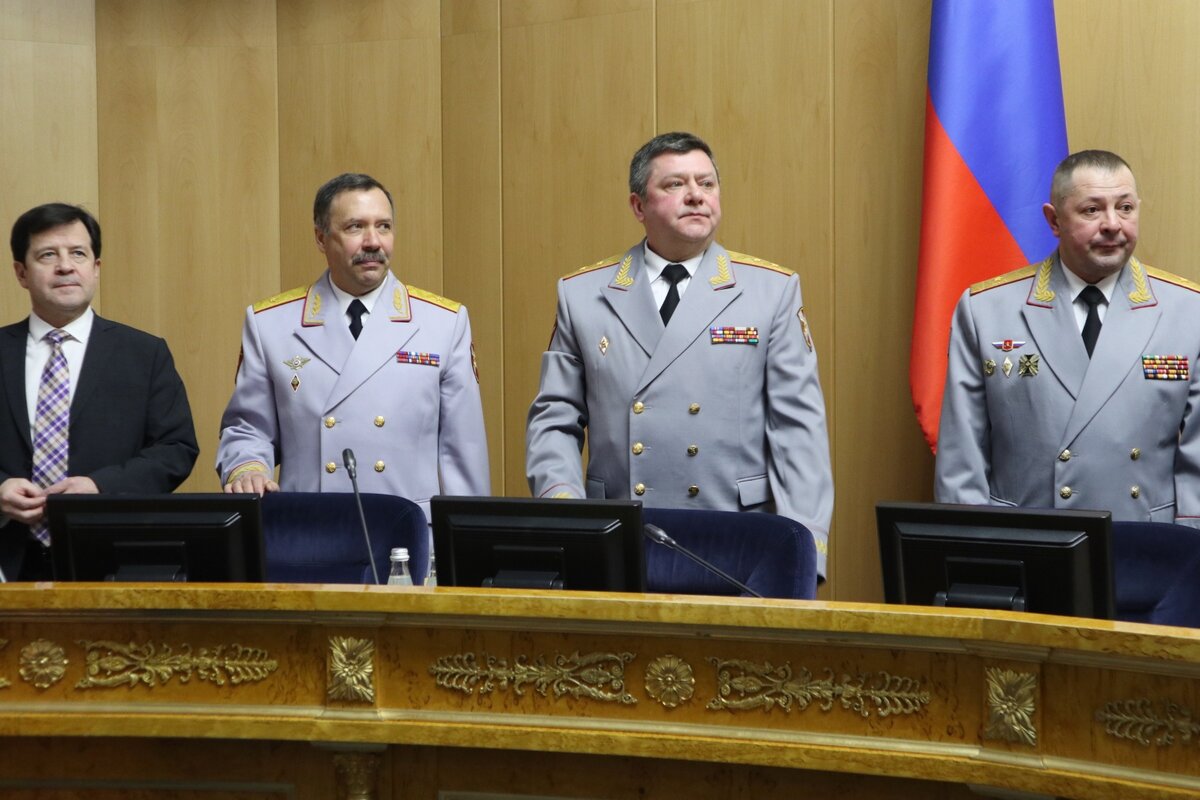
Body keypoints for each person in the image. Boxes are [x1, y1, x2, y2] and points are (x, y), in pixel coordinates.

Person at [525, 132, 834, 576]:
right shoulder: (583, 294)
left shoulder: (771, 292)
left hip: (739, 542)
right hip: (619, 538)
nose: (696, 195)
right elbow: (554, 421)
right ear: (638, 206)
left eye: (707, 184)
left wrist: (805, 553)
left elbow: (798, 432)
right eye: (675, 184)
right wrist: (567, 513)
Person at [936, 150, 1200, 527]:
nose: (1112, 224)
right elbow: (962, 459)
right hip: (1027, 541)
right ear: (1054, 220)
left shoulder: (1187, 311)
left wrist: (1187, 550)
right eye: (1092, 210)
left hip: (1144, 541)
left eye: (1125, 208)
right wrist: (975, 548)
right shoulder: (986, 310)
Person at [216, 173, 490, 518]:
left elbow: (464, 455)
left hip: (409, 534)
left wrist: (465, 540)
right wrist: (248, 469)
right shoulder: (271, 324)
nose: (373, 242)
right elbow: (248, 429)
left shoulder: (443, 323)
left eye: (384, 226)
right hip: (310, 530)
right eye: (355, 227)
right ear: (321, 238)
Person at [0, 203, 199, 581]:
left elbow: (176, 449)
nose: (65, 266)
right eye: (47, 255)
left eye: (78, 253)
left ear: (96, 267)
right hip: (8, 559)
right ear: (21, 273)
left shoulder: (144, 354)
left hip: (113, 558)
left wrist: (101, 487)